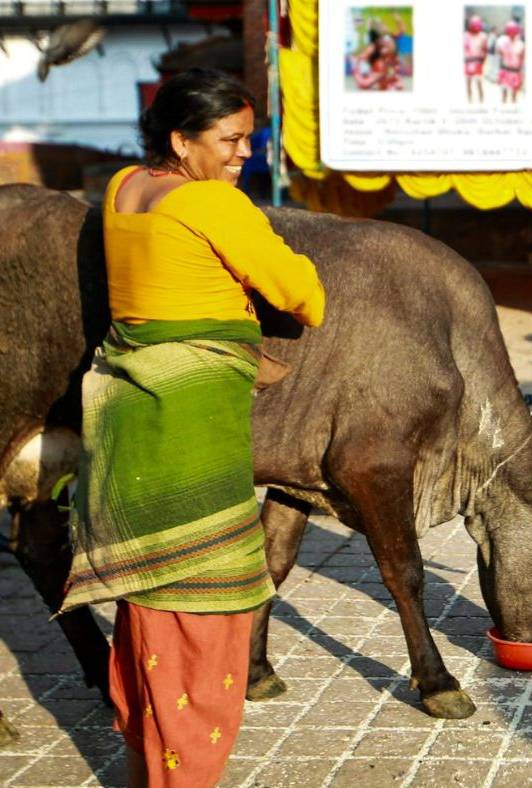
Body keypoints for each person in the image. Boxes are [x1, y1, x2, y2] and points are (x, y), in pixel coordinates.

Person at [59, 68, 325, 787]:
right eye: (231, 140)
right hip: (190, 421)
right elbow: (304, 296)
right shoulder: (214, 204)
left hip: (126, 410)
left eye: (250, 140)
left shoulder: (121, 189)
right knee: (206, 610)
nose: (245, 154)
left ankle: (152, 765)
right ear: (182, 140)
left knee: (149, 601)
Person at [498, 20, 526, 103]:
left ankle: (513, 113)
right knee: (504, 96)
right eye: (510, 32)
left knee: (513, 97)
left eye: (513, 32)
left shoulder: (521, 45)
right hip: (505, 71)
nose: (511, 34)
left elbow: (522, 62)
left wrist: (521, 77)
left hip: (515, 73)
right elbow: (501, 57)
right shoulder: (502, 42)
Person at [464, 15, 488, 103]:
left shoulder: (483, 36)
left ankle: (481, 102)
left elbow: (485, 50)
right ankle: (470, 101)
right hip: (468, 62)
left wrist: (483, 62)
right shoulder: (465, 35)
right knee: (469, 83)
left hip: (478, 63)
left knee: (479, 84)